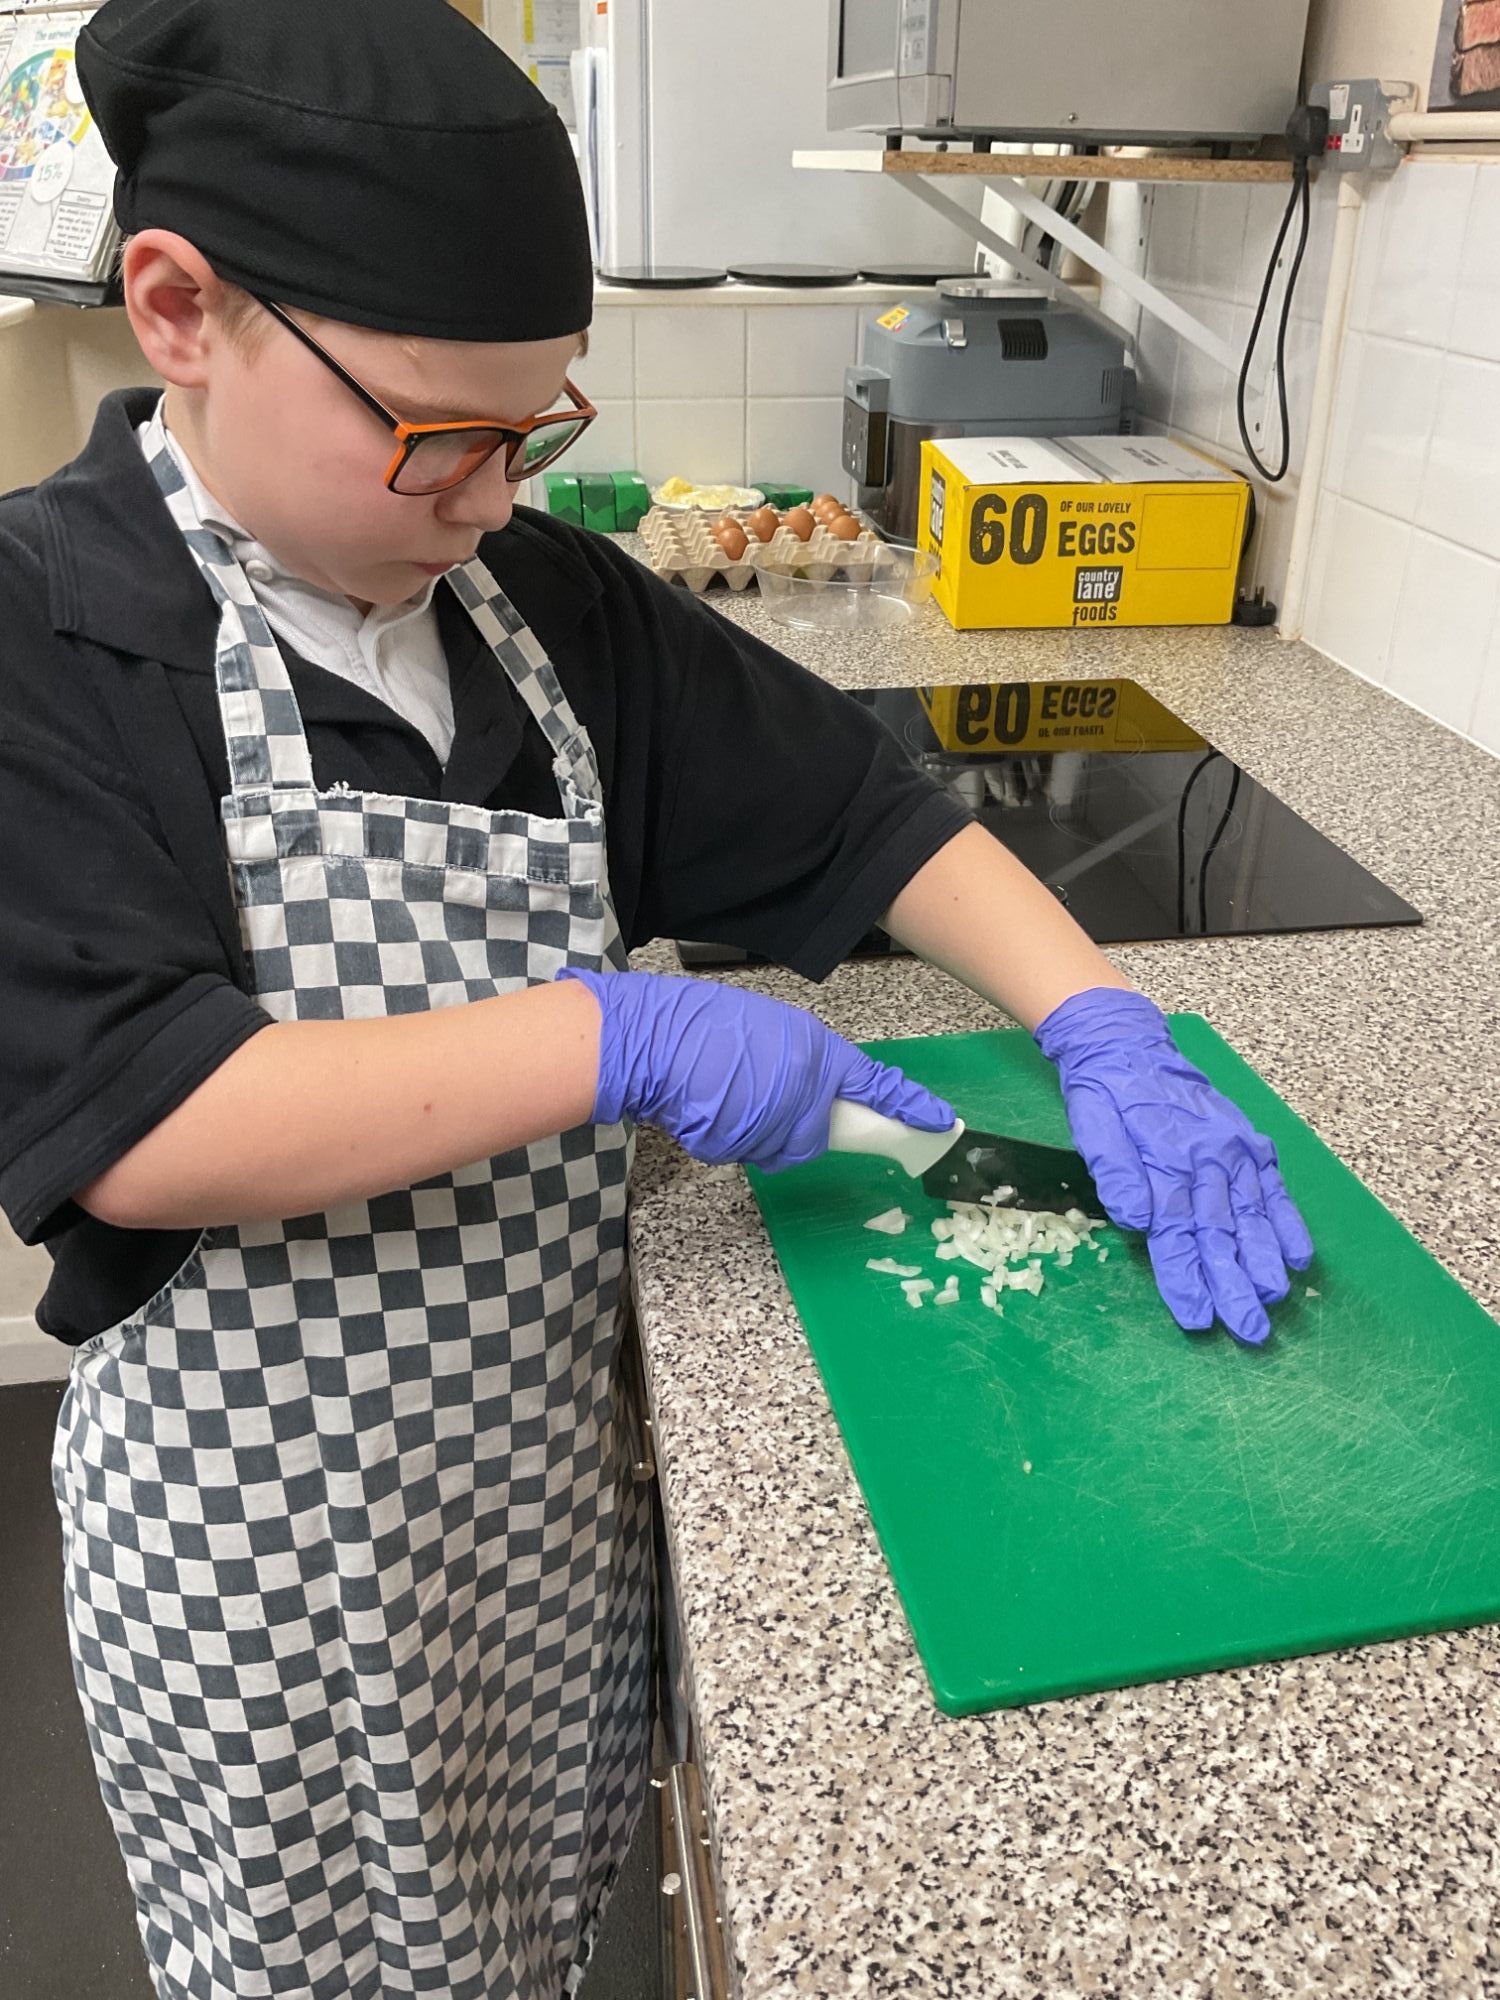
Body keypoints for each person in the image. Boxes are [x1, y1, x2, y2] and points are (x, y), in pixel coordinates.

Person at [0, 0, 1314, 1993]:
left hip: (539, 1511)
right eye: (438, 435)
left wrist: (1094, 1019)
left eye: (536, 433)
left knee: (532, 1937)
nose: (490, 496)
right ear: (180, 310)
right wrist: (620, 1035)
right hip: (264, 1563)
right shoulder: (48, 627)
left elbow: (858, 814)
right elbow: (148, 1120)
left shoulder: (539, 606)